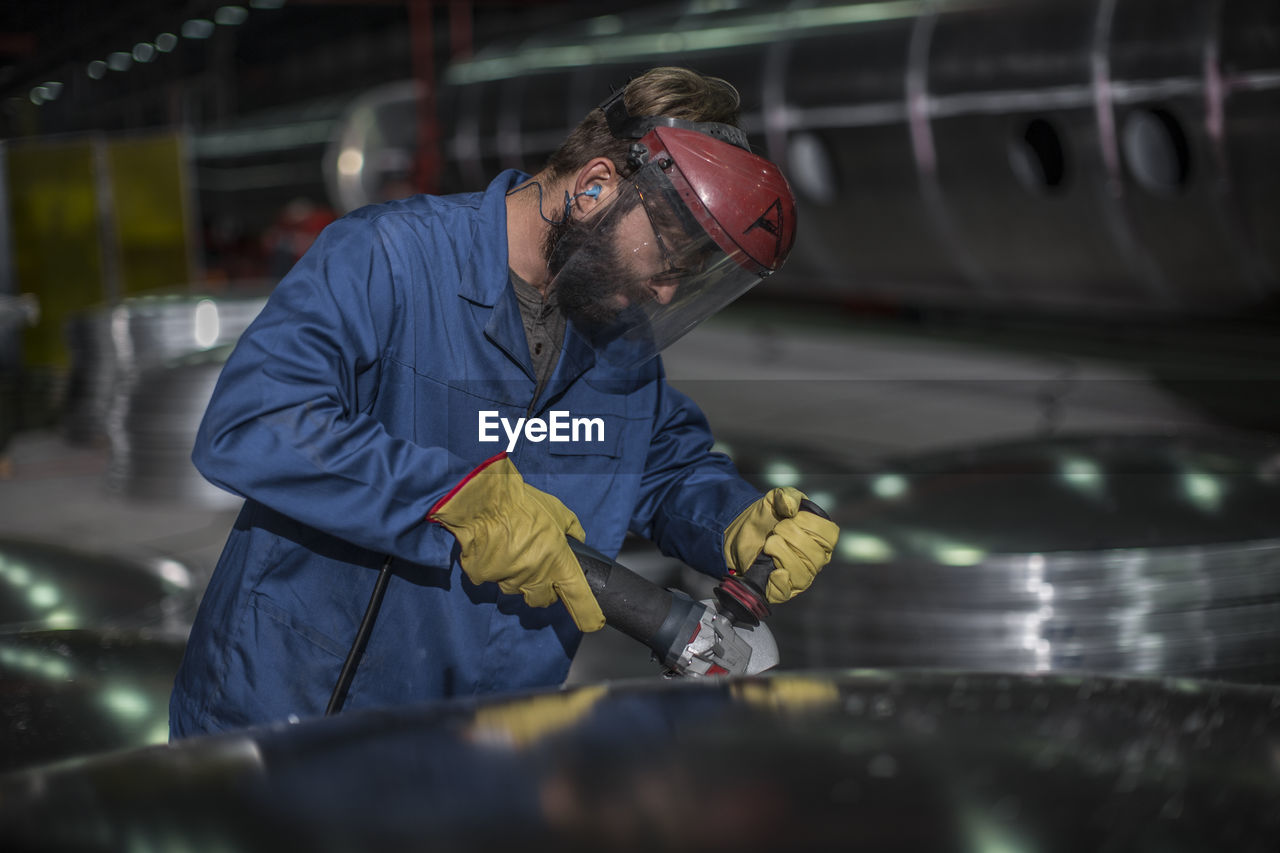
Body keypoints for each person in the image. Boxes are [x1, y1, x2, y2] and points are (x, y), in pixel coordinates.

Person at [169, 67, 840, 737]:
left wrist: (732, 517)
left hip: (471, 745)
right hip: (289, 716)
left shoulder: (610, 333)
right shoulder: (391, 258)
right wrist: (447, 501)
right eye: (668, 259)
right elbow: (255, 419)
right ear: (595, 186)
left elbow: (659, 465)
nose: (665, 296)